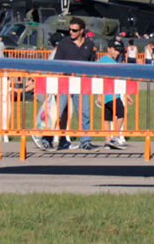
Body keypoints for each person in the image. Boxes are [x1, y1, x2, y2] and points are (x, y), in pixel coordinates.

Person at [49, 18, 98, 150]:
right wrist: (55, 82)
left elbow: (92, 64)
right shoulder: (64, 43)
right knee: (57, 112)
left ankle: (86, 141)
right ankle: (46, 138)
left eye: (74, 30)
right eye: (70, 29)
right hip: (64, 81)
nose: (71, 32)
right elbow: (56, 63)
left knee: (84, 112)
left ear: (82, 31)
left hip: (81, 83)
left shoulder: (89, 44)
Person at [98, 39, 132, 149]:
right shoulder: (111, 63)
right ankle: (115, 137)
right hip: (111, 94)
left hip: (108, 93)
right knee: (122, 113)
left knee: (107, 117)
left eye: (119, 51)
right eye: (115, 50)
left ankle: (107, 141)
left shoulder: (101, 61)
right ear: (108, 48)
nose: (117, 53)